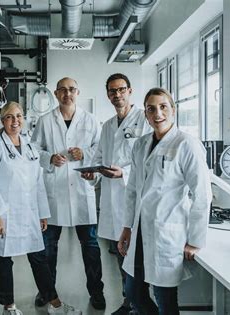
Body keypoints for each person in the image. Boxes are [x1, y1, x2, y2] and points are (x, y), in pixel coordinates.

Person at [0, 102, 82, 315]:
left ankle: (54, 304)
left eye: (18, 116)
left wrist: (42, 213)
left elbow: (38, 183)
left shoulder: (30, 147)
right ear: (2, 121)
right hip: (5, 214)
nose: (15, 121)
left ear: (23, 119)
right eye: (9, 117)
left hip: (28, 213)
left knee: (39, 258)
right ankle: (9, 307)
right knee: (3, 260)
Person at [118, 88, 212, 314]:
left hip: (166, 232)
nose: (157, 113)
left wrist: (195, 240)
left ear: (173, 110)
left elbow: (202, 194)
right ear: (146, 115)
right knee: (133, 293)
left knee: (165, 299)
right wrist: (127, 228)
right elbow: (132, 190)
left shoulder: (186, 144)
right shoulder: (140, 144)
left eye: (163, 107)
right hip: (140, 230)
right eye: (151, 109)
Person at [31, 77, 106, 310]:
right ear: (55, 93)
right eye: (62, 90)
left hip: (82, 192)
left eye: (72, 89)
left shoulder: (91, 120)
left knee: (91, 247)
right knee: (48, 248)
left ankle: (96, 292)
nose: (67, 94)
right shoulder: (45, 120)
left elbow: (100, 150)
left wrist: (84, 153)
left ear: (78, 92)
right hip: (55, 192)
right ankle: (46, 291)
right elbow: (34, 150)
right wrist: (50, 158)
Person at [81, 73, 152, 315]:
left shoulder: (144, 119)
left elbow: (148, 159)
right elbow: (100, 156)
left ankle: (138, 303)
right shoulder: (109, 125)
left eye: (121, 89)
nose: (117, 94)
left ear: (130, 91)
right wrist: (93, 172)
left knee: (136, 257)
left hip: (134, 198)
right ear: (108, 94)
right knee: (120, 254)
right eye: (112, 91)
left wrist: (124, 172)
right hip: (112, 201)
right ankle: (128, 301)